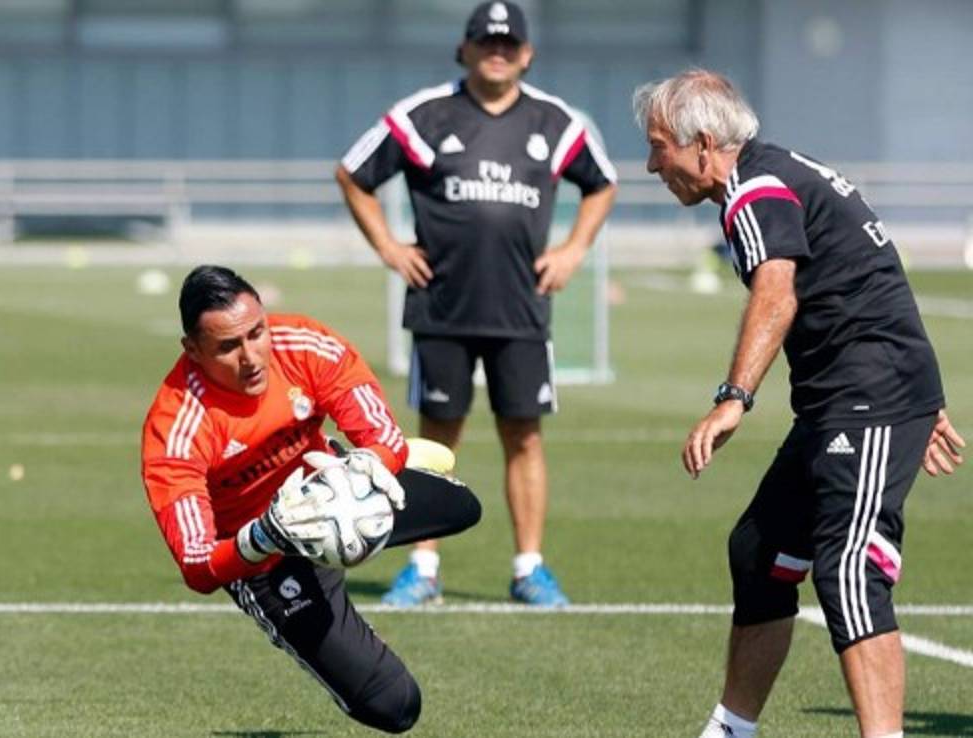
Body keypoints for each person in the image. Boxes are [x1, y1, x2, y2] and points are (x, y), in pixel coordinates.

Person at [632, 69, 966, 738]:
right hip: (849, 400)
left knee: (849, 570)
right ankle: (732, 728)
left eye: (659, 146)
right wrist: (922, 398)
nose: (651, 164)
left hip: (869, 399)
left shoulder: (756, 188)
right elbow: (870, 274)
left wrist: (733, 399)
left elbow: (777, 294)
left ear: (703, 144)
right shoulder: (773, 173)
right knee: (760, 553)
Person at [335, 0, 617, 607]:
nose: (497, 52)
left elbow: (602, 184)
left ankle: (529, 568)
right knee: (435, 442)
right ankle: (423, 567)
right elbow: (353, 174)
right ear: (463, 49)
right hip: (442, 307)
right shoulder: (424, 115)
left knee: (525, 437)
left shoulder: (555, 122)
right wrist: (388, 245)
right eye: (486, 42)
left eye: (508, 44)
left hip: (521, 308)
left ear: (527, 54)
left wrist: (573, 250)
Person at [140, 265, 480, 734]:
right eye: (228, 347)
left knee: (463, 506)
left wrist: (370, 464)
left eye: (256, 333)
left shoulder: (305, 345)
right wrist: (264, 536)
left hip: (336, 492)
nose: (251, 357)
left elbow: (382, 435)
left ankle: (362, 483)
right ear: (192, 350)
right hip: (262, 557)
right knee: (396, 706)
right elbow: (198, 565)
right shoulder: (175, 428)